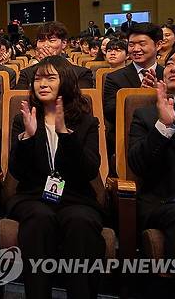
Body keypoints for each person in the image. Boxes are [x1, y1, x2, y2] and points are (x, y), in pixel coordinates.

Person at [9, 56, 104, 298]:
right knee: (39, 217)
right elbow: (17, 172)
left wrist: (66, 135)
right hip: (34, 196)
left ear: (66, 82)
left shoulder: (86, 122)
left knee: (81, 221)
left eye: (50, 78)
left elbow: (90, 170)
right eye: (38, 78)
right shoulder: (24, 118)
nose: (42, 84)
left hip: (75, 197)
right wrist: (28, 138)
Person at [128, 42, 175, 298]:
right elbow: (138, 165)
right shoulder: (146, 115)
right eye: (171, 63)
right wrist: (164, 127)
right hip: (168, 203)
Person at [103, 23, 164, 176]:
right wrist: (139, 97)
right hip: (126, 139)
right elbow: (109, 112)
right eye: (131, 45)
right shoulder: (114, 77)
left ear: (158, 45)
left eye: (142, 44)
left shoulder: (168, 75)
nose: (136, 49)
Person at [16, 22, 93, 90]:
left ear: (64, 43)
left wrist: (53, 64)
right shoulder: (26, 74)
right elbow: (22, 98)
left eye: (52, 41)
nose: (45, 45)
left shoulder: (81, 73)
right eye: (41, 41)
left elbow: (79, 99)